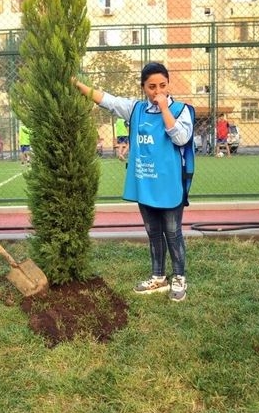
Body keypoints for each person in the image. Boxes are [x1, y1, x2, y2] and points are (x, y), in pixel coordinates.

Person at [73, 62, 194, 302]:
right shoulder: (135, 109)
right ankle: (158, 277)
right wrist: (77, 85)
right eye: (151, 87)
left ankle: (179, 277)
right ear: (143, 87)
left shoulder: (182, 110)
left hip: (170, 185)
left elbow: (181, 138)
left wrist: (164, 108)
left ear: (168, 84)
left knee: (173, 231)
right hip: (145, 182)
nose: (157, 90)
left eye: (162, 85)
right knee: (153, 232)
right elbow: (107, 100)